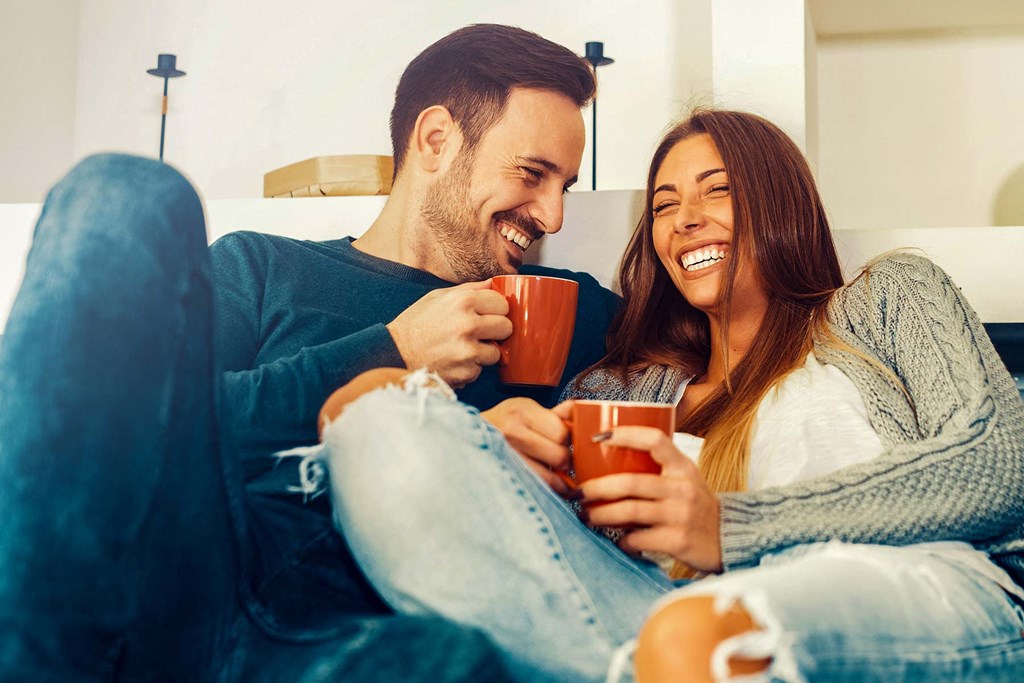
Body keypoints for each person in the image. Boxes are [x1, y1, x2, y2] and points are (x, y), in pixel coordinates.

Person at [0, 24, 618, 681]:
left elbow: (718, 337)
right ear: (437, 140)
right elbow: (131, 434)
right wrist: (392, 350)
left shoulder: (554, 308)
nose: (552, 216)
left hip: (351, 639)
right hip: (186, 584)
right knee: (122, 193)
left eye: (566, 187)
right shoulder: (260, 269)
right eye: (532, 173)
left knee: (455, 661)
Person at [321, 109, 1024, 682]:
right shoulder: (619, 386)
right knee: (370, 411)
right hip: (658, 619)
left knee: (701, 639)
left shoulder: (884, 301)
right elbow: (558, 551)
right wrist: (509, 449)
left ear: (780, 201)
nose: (683, 219)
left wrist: (730, 527)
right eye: (664, 205)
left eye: (716, 190)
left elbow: (1002, 463)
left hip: (920, 591)